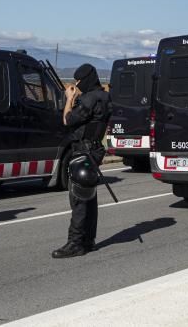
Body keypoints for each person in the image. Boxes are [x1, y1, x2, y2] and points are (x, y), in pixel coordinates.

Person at [52, 63, 112, 258]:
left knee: (78, 198)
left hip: (83, 151)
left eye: (78, 81)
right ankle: (88, 240)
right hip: (95, 150)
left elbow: (68, 120)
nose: (76, 84)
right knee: (89, 197)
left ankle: (75, 242)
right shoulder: (104, 96)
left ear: (85, 79)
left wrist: (70, 99)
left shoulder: (88, 99)